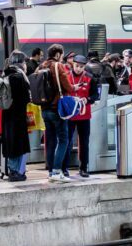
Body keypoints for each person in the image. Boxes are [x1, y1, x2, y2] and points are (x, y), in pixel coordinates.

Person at [41, 44, 74, 183]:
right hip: (56, 109)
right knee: (63, 140)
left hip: (44, 109)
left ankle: (50, 172)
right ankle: (56, 171)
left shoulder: (42, 66)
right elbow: (68, 87)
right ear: (58, 54)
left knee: (50, 140)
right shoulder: (58, 66)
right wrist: (74, 87)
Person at [0, 50, 31, 182]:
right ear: (20, 62)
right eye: (24, 62)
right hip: (17, 115)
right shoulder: (18, 77)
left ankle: (14, 170)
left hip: (8, 115)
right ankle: (14, 171)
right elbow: (24, 98)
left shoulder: (6, 74)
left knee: (12, 142)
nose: (26, 65)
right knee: (17, 143)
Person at [67, 55, 96, 177]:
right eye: (77, 66)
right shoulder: (66, 76)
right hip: (69, 114)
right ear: (73, 64)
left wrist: (87, 99)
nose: (78, 68)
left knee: (84, 142)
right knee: (67, 142)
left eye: (81, 67)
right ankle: (64, 168)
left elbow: (95, 96)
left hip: (84, 115)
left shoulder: (89, 77)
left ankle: (84, 167)